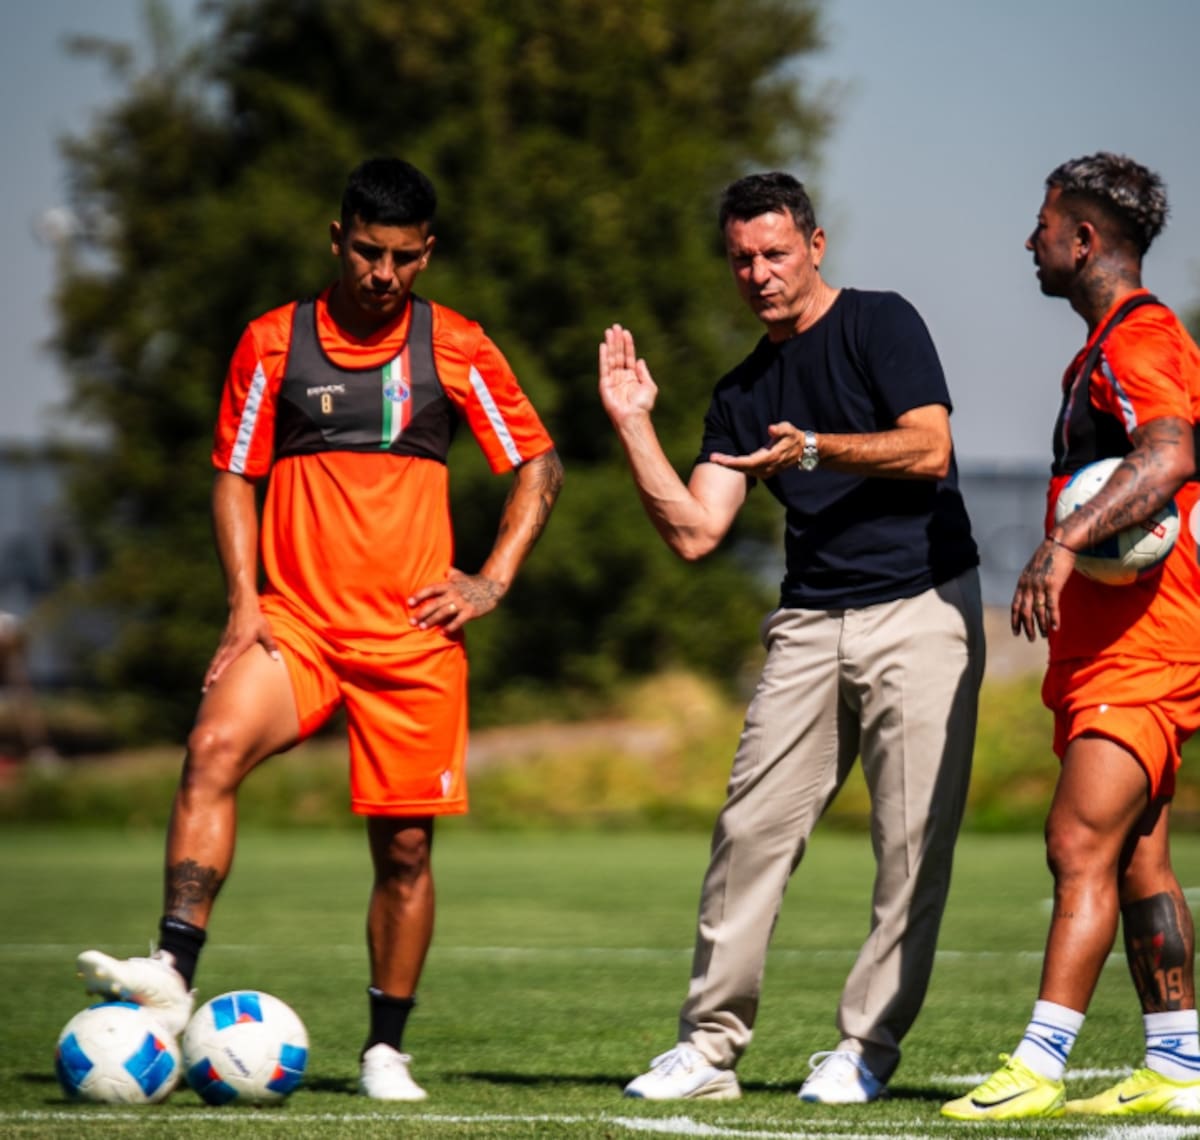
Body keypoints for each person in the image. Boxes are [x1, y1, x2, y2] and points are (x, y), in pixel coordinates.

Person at [75, 157, 563, 1101]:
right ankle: (171, 972)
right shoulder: (272, 343)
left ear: (428, 254)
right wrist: (244, 602)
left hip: (412, 641)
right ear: (337, 239)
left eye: (405, 258)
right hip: (294, 626)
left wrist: (491, 580)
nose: (384, 274)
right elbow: (234, 473)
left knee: (406, 852)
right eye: (369, 252)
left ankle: (385, 1049)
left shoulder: (457, 345)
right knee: (210, 746)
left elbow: (538, 465)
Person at [599, 171, 984, 1104]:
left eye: (775, 253)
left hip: (921, 609)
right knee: (749, 831)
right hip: (809, 622)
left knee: (909, 846)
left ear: (814, 245)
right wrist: (633, 424)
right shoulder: (740, 393)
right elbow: (696, 531)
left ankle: (866, 1049)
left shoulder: (881, 322)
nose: (759, 274)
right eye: (742, 260)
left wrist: (814, 446)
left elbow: (928, 446)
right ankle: (708, 1049)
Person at [943, 153, 1200, 1121]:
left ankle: (1039, 1065)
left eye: (1045, 224)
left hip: (1145, 647)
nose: (1031, 240)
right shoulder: (1102, 349)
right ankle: (1179, 1064)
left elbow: (1169, 454)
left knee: (1075, 840)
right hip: (1115, 645)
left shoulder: (1142, 339)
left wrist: (1062, 542)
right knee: (1136, 858)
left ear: (1084, 240)